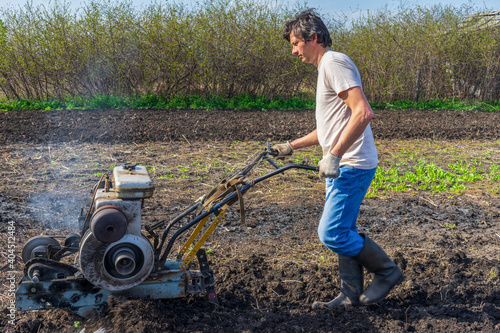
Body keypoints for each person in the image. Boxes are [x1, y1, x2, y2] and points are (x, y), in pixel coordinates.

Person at [273, 9, 403, 308]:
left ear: (313, 38)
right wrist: (290, 146)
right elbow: (331, 126)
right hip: (341, 166)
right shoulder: (326, 68)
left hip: (352, 165)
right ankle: (349, 295)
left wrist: (333, 155)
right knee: (343, 231)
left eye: (295, 43)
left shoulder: (334, 62)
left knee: (331, 233)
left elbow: (363, 113)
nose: (293, 51)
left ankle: (387, 272)